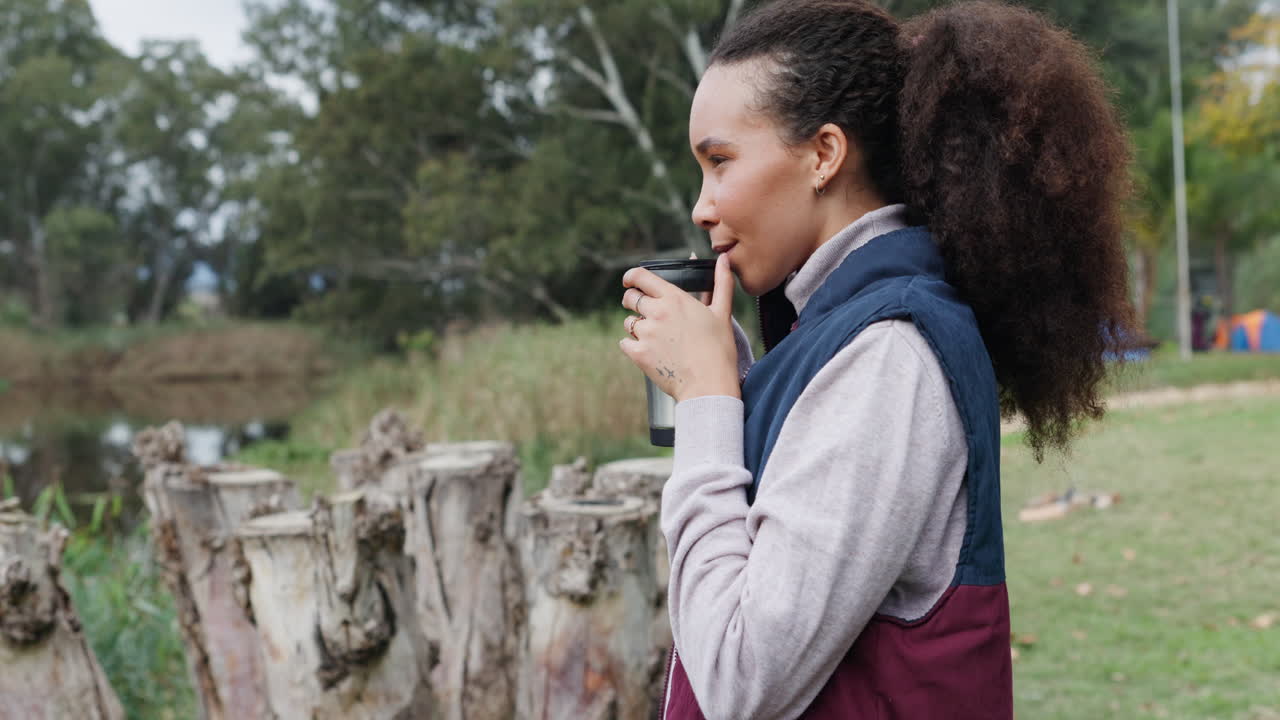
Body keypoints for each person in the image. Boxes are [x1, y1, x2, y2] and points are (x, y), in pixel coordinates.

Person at [617, 1, 1135, 718]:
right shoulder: (840, 333)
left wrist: (707, 406)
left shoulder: (888, 354)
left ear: (824, 155)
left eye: (720, 162)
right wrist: (731, 390)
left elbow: (741, 678)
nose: (703, 207)